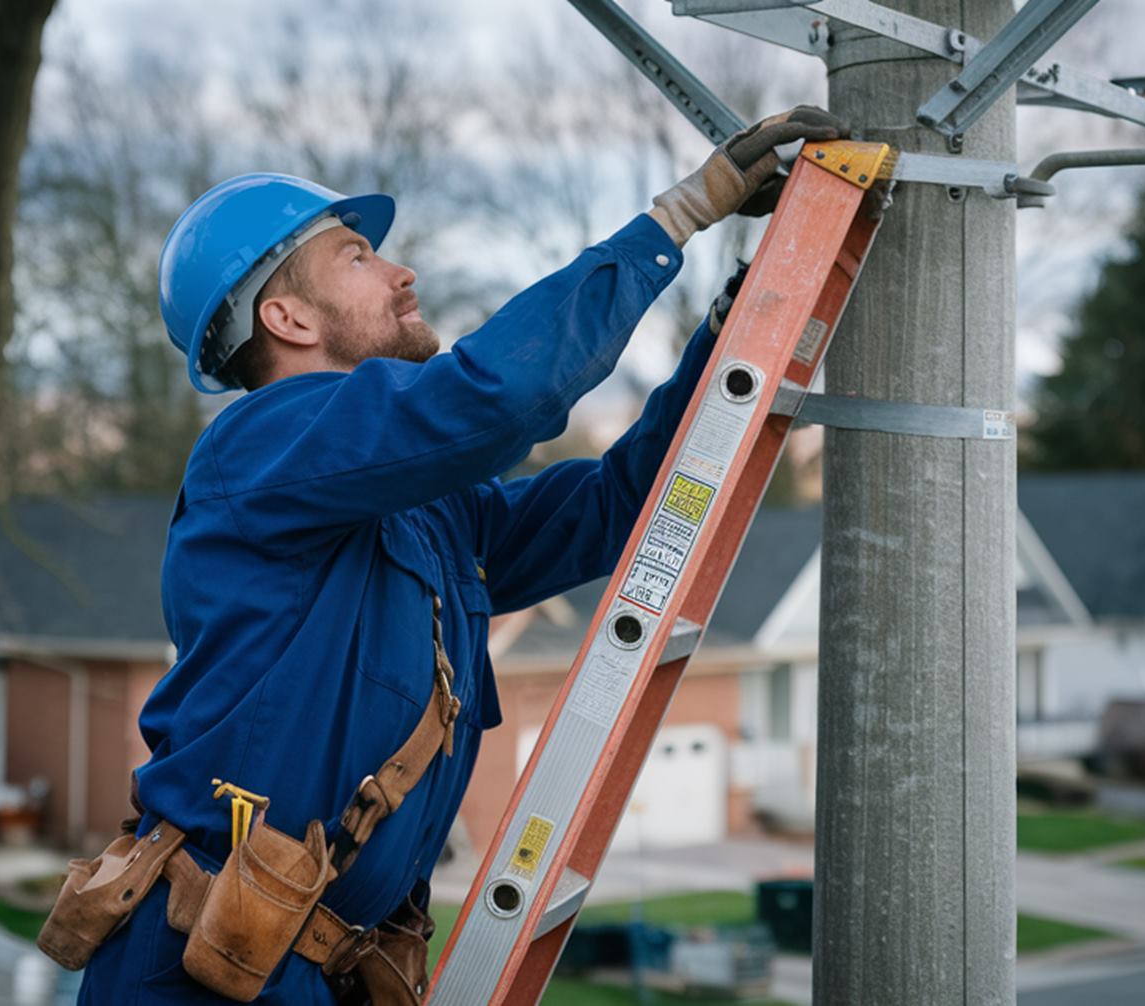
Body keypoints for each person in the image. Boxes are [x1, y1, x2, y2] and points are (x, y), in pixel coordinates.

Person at [69, 105, 845, 1005]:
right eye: (357, 257)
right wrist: (676, 219)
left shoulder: (423, 511)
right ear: (285, 316)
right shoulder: (256, 447)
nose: (402, 274)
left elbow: (606, 507)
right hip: (200, 970)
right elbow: (497, 397)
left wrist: (739, 320)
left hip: (317, 971)